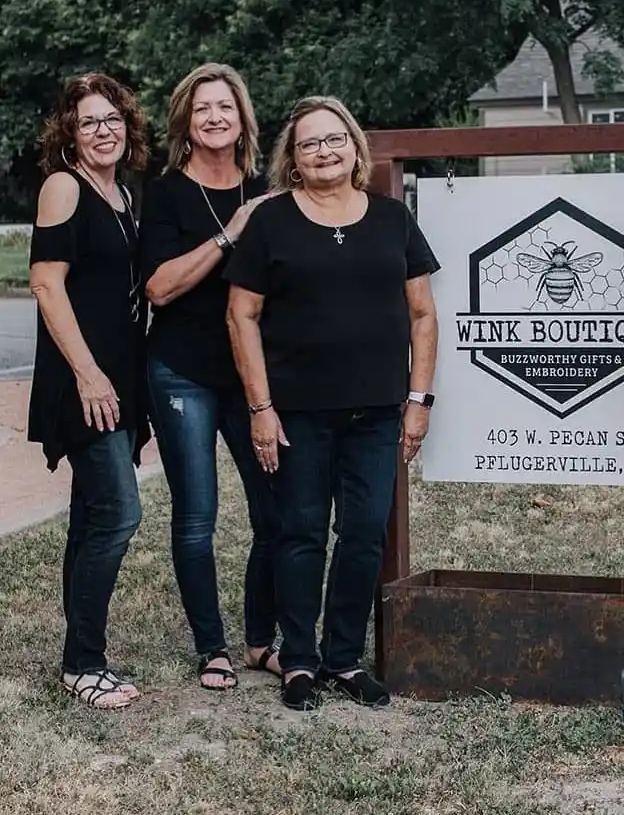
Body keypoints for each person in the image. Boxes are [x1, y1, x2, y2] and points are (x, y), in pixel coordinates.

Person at [224, 96, 440, 711]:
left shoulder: (393, 219)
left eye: (335, 139)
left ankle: (344, 659)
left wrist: (419, 398)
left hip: (377, 411)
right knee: (300, 534)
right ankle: (299, 662)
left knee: (365, 533)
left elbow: (423, 314)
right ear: (292, 159)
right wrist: (261, 408)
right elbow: (242, 315)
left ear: (354, 149)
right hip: (296, 413)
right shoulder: (271, 223)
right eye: (310, 143)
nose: (324, 150)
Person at [140, 63, 280, 691]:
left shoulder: (266, 191)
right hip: (181, 374)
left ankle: (259, 641)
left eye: (225, 106)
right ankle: (211, 648)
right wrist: (231, 233)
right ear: (186, 124)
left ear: (242, 117)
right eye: (202, 109)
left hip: (252, 379)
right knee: (197, 514)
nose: (215, 117)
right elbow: (160, 288)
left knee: (274, 510)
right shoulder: (167, 192)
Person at [28, 73, 151, 709]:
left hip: (121, 380)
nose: (103, 131)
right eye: (88, 122)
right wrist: (88, 373)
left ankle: (77, 658)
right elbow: (47, 284)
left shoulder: (122, 194)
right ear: (68, 133)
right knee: (120, 513)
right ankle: (84, 663)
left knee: (91, 515)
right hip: (85, 381)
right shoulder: (63, 187)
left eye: (111, 120)